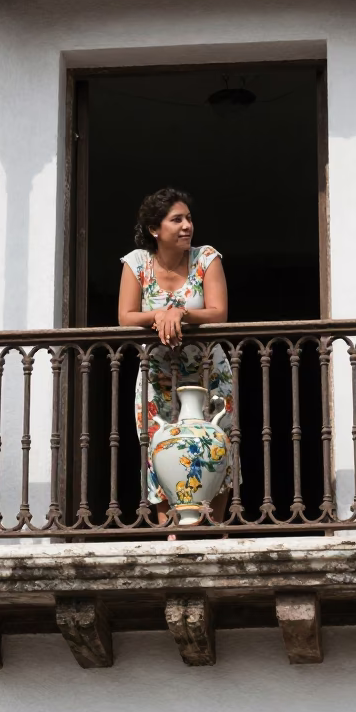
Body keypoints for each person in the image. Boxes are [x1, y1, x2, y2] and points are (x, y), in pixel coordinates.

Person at [117, 188, 234, 526]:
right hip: (157, 375)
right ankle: (171, 531)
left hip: (209, 372)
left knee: (219, 445)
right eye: (177, 219)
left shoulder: (206, 258)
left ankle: (215, 528)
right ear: (156, 229)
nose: (187, 226)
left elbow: (218, 312)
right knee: (157, 446)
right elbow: (125, 316)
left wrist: (180, 312)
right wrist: (159, 315)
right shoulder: (136, 263)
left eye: (189, 219)